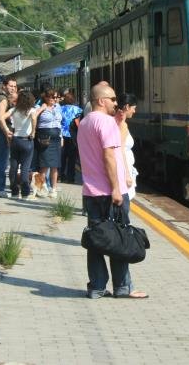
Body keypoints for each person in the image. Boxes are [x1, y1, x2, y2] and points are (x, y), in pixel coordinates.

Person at [77, 83, 147, 299]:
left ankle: (97, 287)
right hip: (110, 193)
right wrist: (117, 188)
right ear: (101, 101)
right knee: (120, 239)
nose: (117, 103)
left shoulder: (86, 122)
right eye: (113, 99)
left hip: (91, 192)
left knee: (97, 241)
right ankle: (123, 287)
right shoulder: (106, 123)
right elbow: (109, 157)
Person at [8, 90, 38, 200]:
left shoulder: (13, 110)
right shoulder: (32, 110)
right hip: (27, 141)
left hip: (15, 139)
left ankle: (14, 191)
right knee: (25, 167)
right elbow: (34, 119)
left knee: (13, 166)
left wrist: (7, 130)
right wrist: (33, 131)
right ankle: (25, 193)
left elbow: (1, 117)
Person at [35, 88, 62, 198]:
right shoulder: (39, 107)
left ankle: (53, 189)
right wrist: (42, 108)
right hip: (45, 137)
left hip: (56, 137)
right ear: (46, 97)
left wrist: (61, 137)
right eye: (52, 97)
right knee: (44, 164)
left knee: (55, 165)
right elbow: (33, 117)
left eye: (56, 97)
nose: (54, 99)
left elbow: (60, 122)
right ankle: (40, 188)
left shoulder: (58, 107)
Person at [0, 76, 17, 197]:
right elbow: (0, 118)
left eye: (14, 86)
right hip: (0, 134)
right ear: (4, 86)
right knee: (1, 162)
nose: (13, 88)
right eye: (10, 86)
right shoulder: (3, 99)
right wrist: (7, 131)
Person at [115, 93, 139, 200]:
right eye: (133, 108)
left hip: (123, 169)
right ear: (127, 107)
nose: (134, 111)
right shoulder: (121, 124)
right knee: (124, 208)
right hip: (123, 172)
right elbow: (120, 151)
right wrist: (127, 175)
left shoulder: (120, 122)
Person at [59, 90, 82, 183]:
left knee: (62, 157)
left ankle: (60, 175)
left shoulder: (60, 109)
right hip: (73, 136)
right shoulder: (78, 110)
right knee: (72, 158)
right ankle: (70, 177)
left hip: (62, 135)